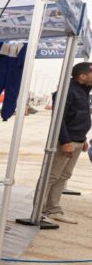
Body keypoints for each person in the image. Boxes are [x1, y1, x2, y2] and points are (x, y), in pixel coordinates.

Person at [42, 61, 92, 224]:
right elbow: (59, 119)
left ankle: (53, 209)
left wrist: (83, 138)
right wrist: (65, 142)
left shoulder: (83, 91)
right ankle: (39, 211)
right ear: (82, 76)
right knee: (51, 175)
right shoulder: (66, 91)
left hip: (77, 140)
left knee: (64, 176)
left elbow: (78, 116)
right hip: (65, 141)